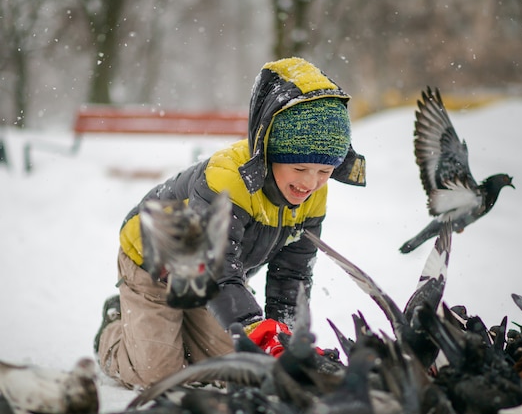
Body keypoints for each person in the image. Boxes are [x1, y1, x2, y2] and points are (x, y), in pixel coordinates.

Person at [94, 57, 366, 389]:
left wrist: (284, 341)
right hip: (155, 263)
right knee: (158, 375)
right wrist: (257, 329)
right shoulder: (227, 180)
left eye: (325, 171)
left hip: (215, 279)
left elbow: (292, 273)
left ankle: (173, 332)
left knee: (238, 368)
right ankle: (114, 328)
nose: (310, 183)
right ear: (270, 152)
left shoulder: (312, 195)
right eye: (299, 169)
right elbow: (216, 267)